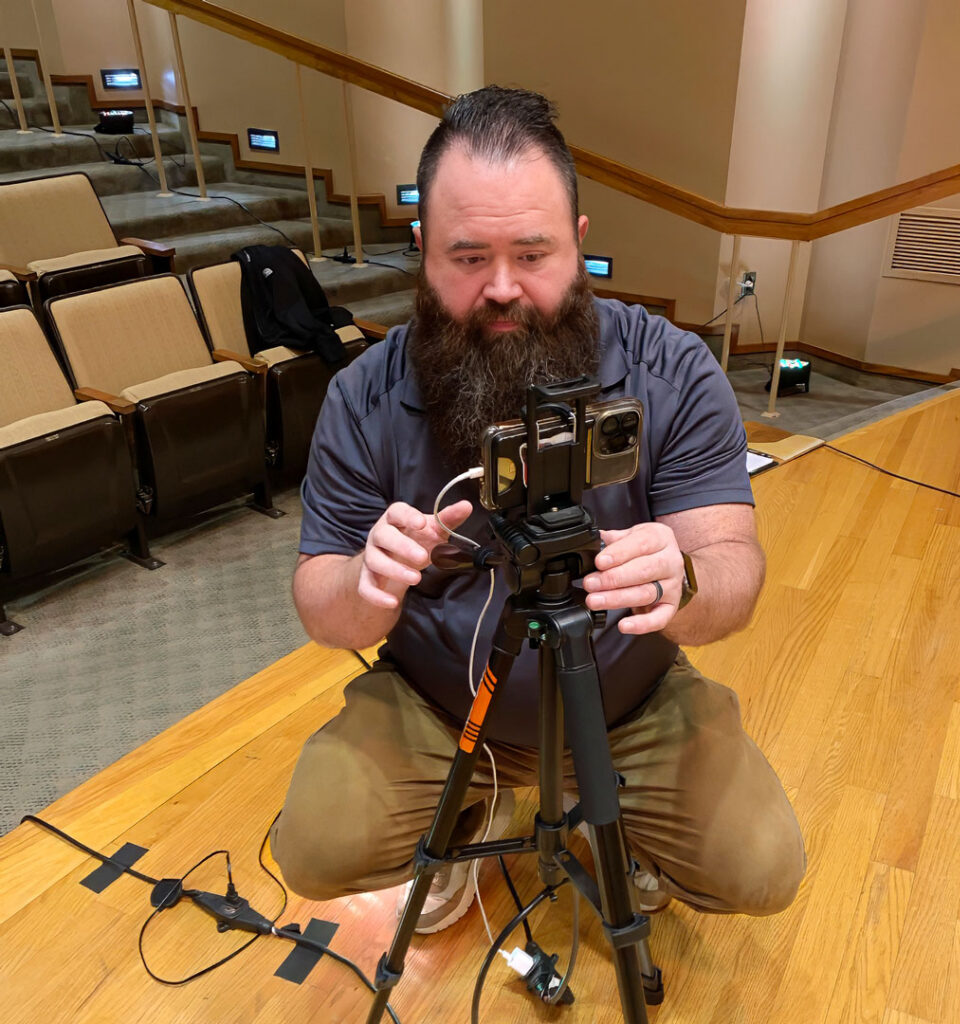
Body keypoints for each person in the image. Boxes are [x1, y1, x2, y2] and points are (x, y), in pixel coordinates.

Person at [271, 85, 804, 934]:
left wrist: (687, 580)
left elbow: (736, 567)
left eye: (533, 252)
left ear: (580, 243)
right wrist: (365, 587)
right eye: (467, 257)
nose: (502, 288)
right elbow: (319, 600)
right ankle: (468, 812)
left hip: (624, 696)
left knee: (762, 865)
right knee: (315, 848)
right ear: (421, 249)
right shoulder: (361, 398)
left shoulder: (672, 371)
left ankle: (610, 809)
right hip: (441, 705)